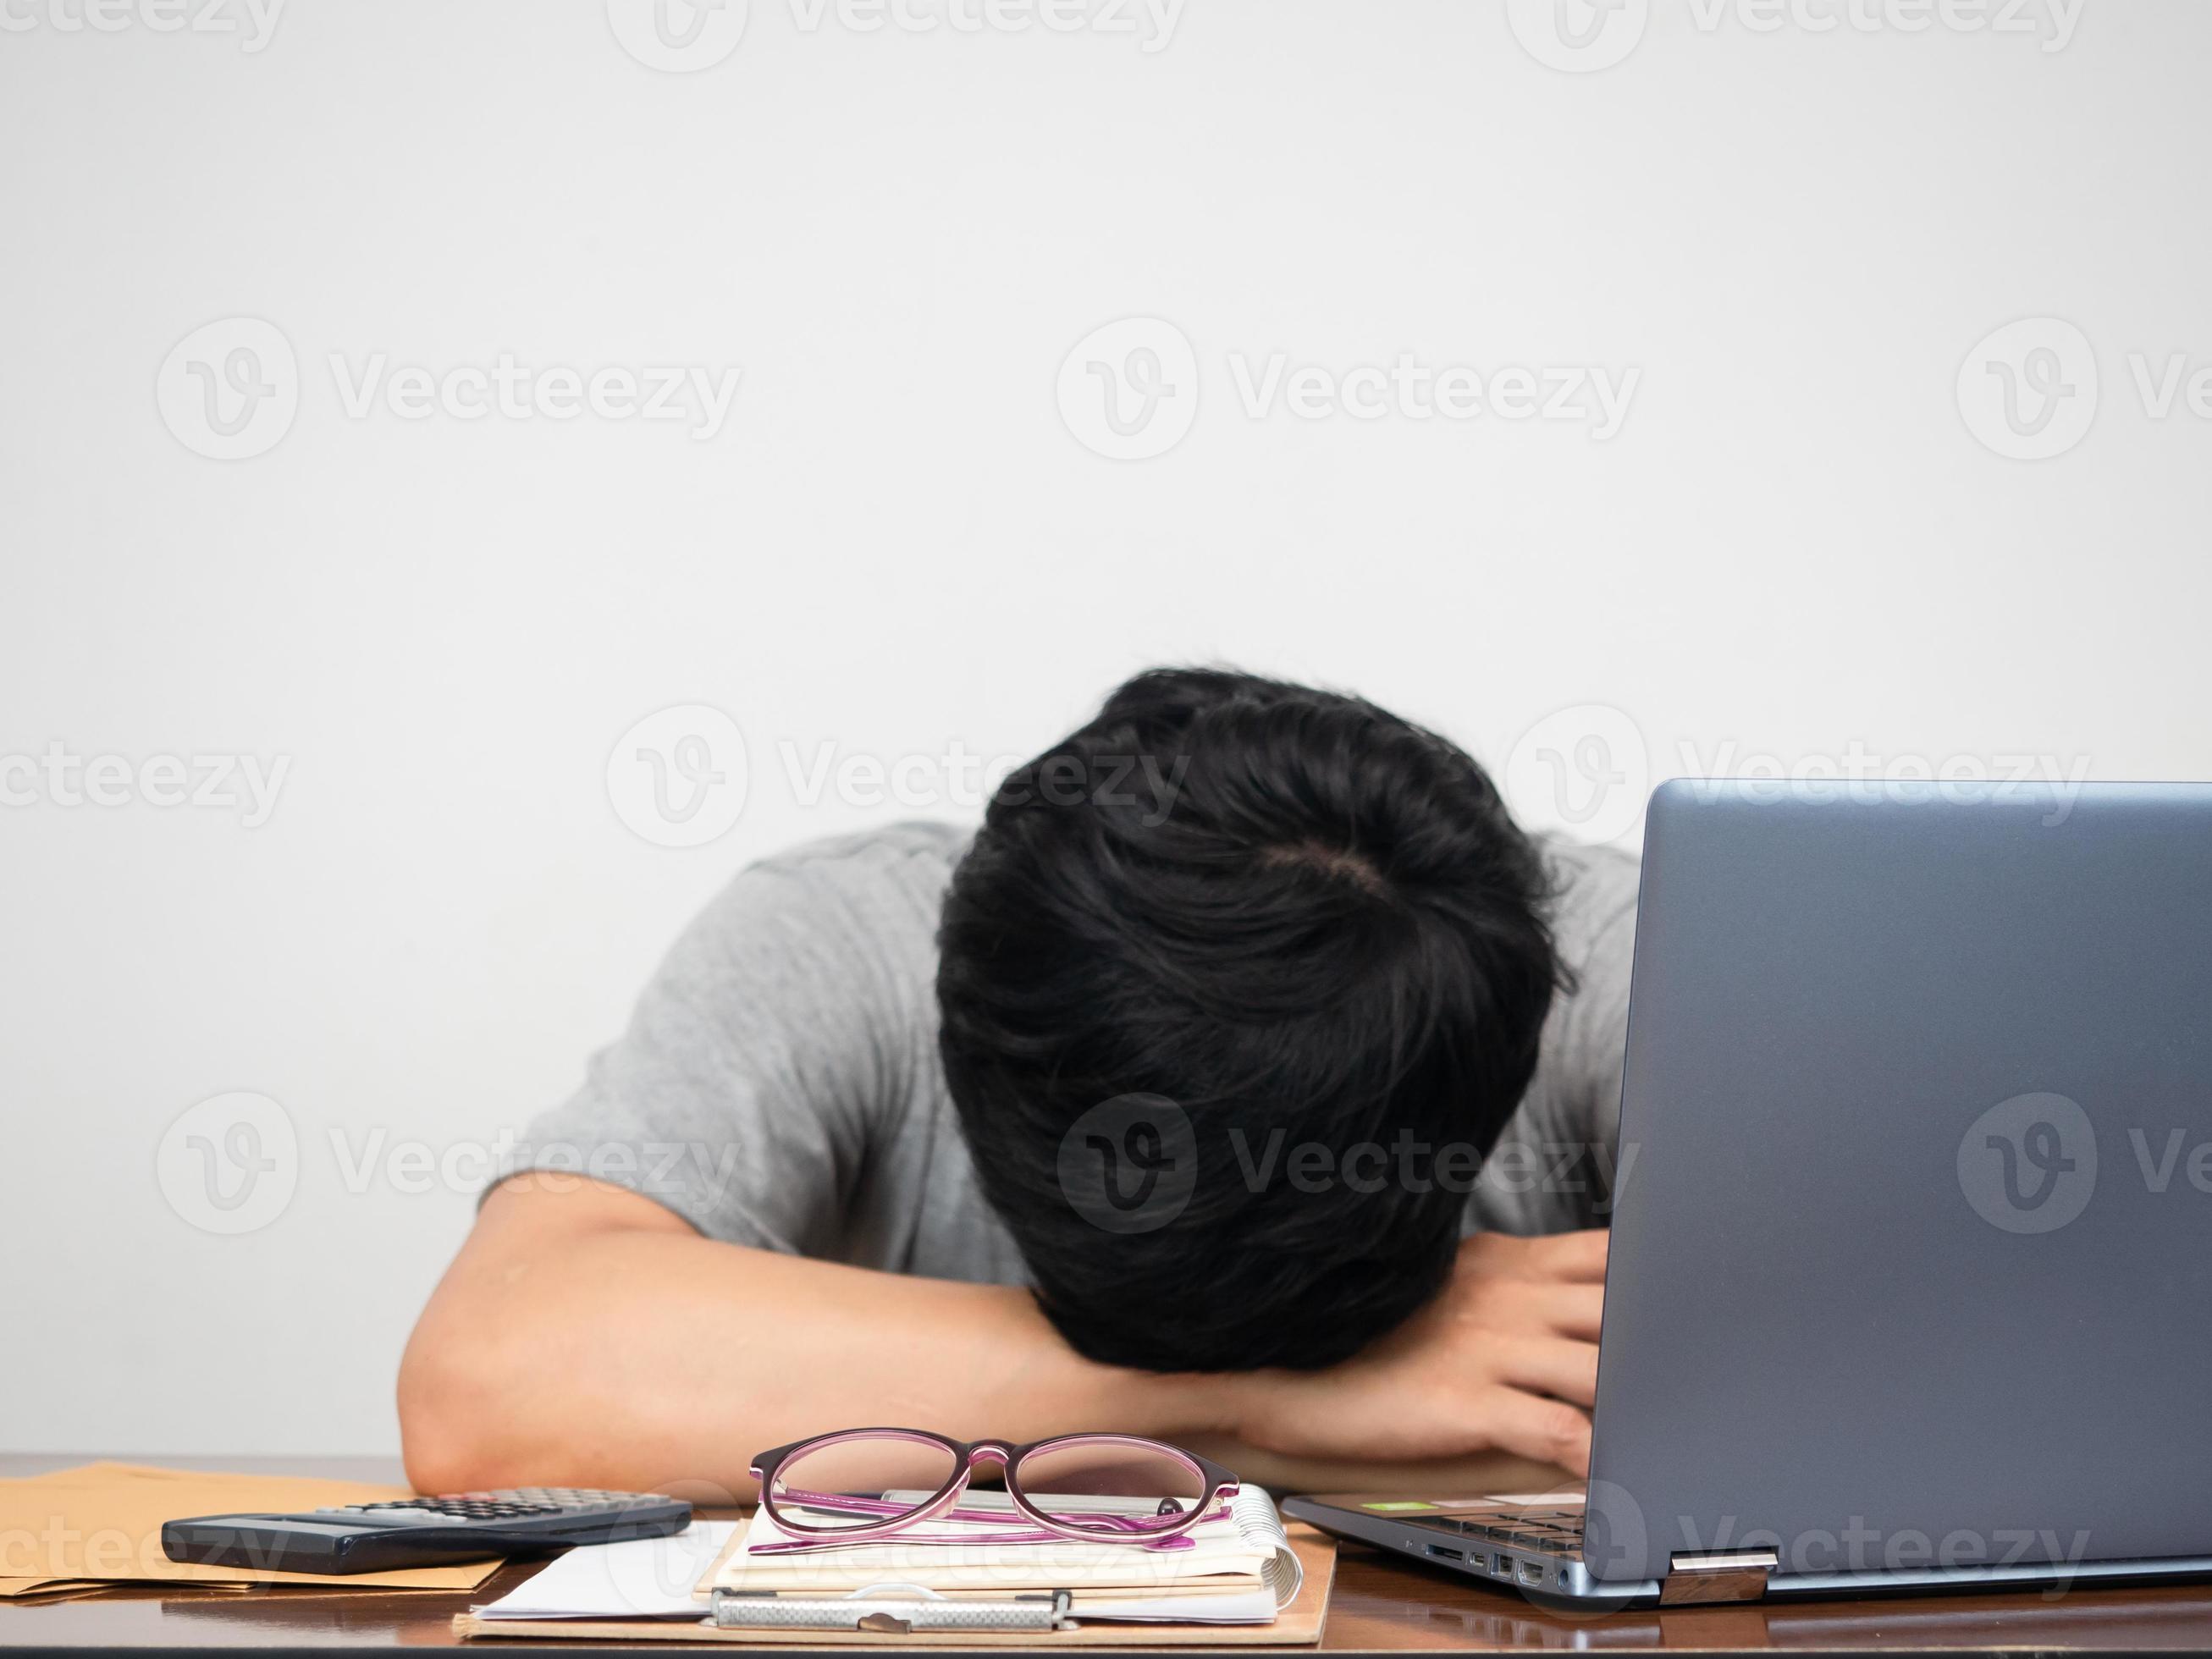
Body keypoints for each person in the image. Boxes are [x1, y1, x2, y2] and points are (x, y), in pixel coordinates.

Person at [400, 668, 1638, 1499]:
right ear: (964, 1031)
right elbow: (489, 1379)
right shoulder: (847, 941)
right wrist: (1260, 1405)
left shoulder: (1595, 957)